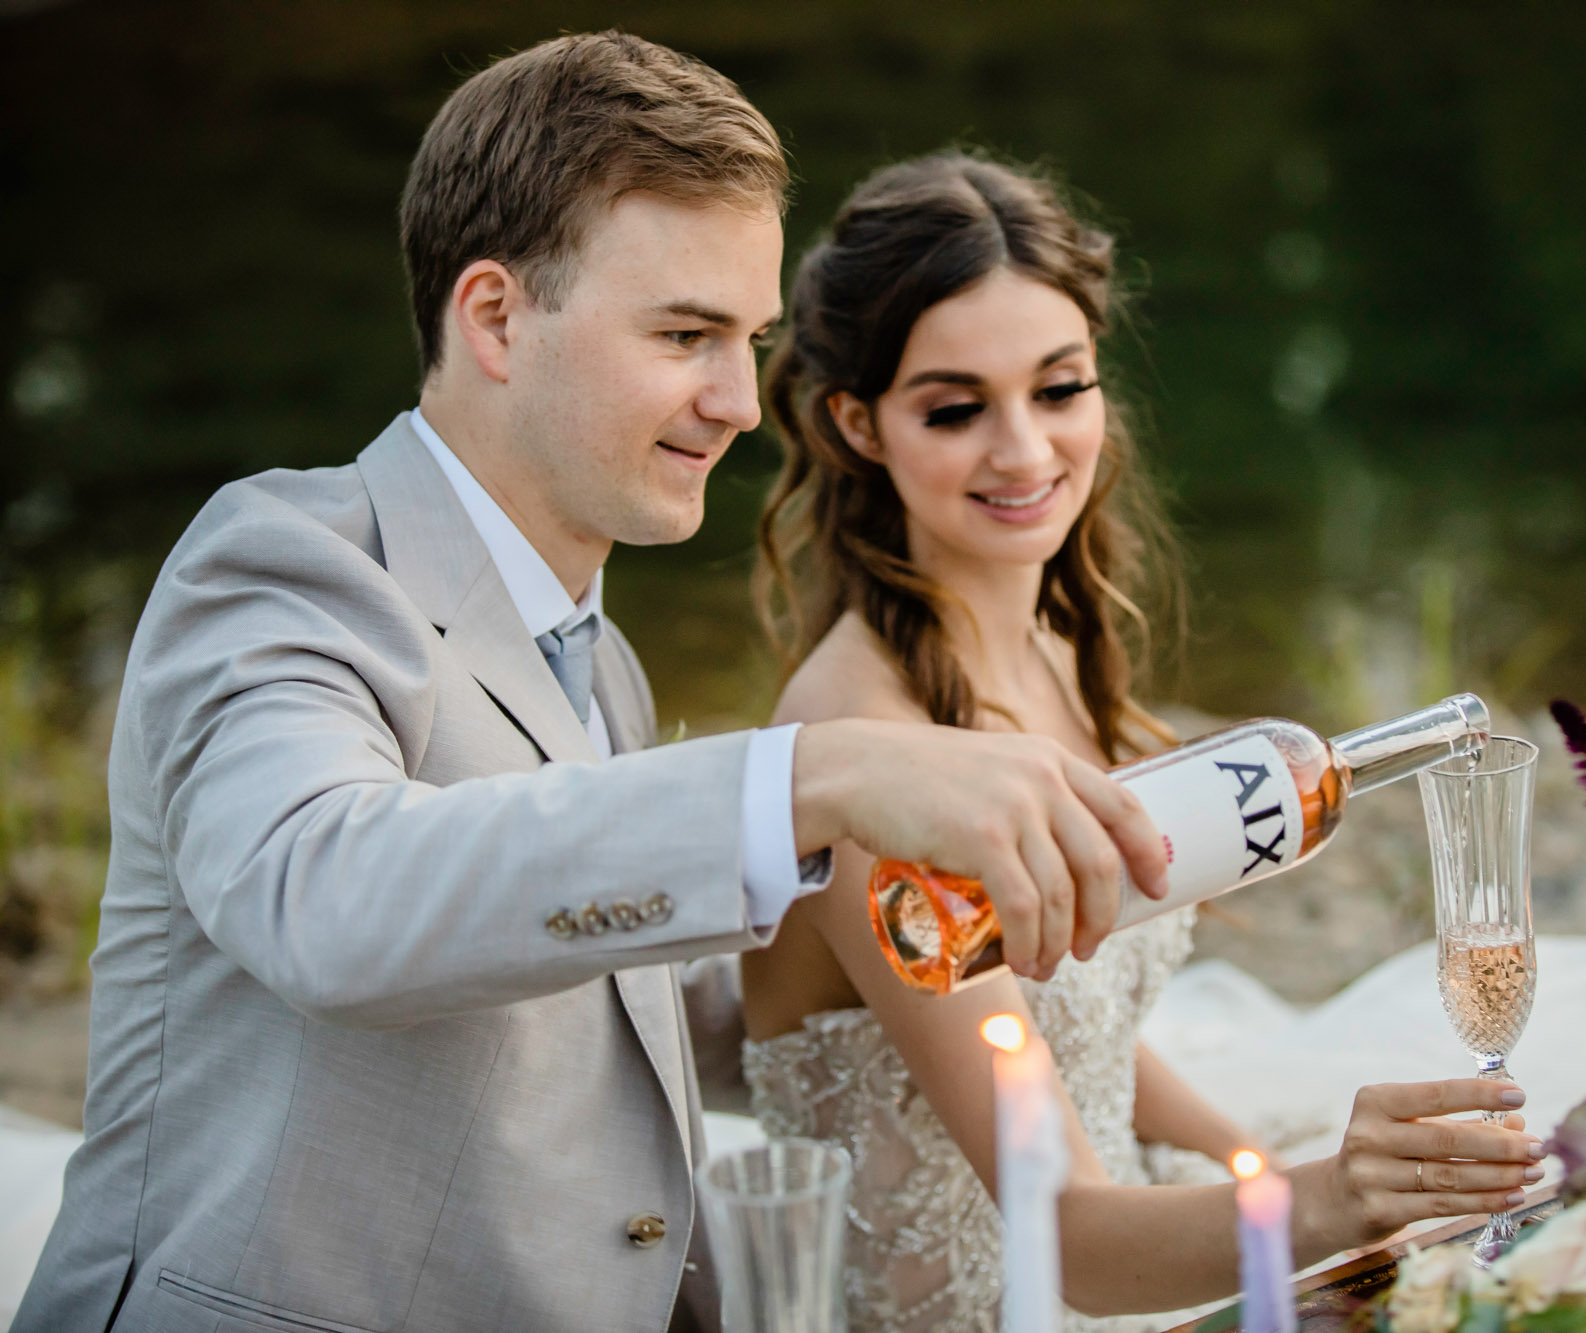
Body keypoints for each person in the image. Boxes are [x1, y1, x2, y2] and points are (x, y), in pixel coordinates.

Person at [14, 36, 1174, 1333]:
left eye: (748, 338)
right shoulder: (286, 566)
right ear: (498, 318)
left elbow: (599, 1007)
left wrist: (889, 956)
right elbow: (325, 897)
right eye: (685, 334)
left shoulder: (597, 659)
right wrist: (822, 771)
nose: (741, 402)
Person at [742, 151, 1545, 1332]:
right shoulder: (861, 756)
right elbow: (1070, 1241)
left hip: (1139, 1234)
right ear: (856, 423)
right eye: (956, 408)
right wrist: (1331, 1200)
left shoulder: (1056, 645)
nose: (1024, 452)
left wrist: (1245, 1165)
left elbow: (1071, 1028)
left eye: (1059, 388)